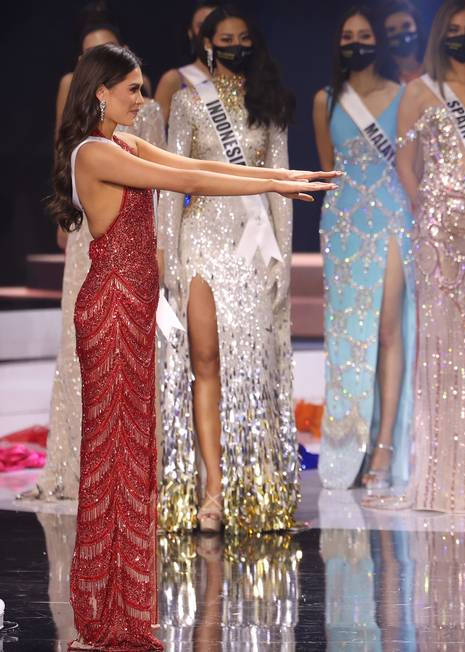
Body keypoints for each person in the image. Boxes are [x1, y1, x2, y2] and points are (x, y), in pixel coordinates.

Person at [47, 42, 333, 650]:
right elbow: (189, 179)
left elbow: (205, 167)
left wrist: (279, 178)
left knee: (132, 455)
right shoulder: (94, 153)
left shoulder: (124, 144)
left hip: (132, 309)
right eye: (132, 89)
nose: (142, 99)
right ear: (101, 92)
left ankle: (121, 614)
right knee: (112, 458)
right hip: (111, 310)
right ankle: (101, 615)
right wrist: (275, 183)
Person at [158, 4, 301, 534]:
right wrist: (167, 257)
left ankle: (253, 486)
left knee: (252, 368)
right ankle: (213, 490)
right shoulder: (188, 101)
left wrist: (284, 259)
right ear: (208, 43)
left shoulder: (270, 102)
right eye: (226, 39)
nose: (235, 46)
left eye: (244, 39)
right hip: (201, 242)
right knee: (206, 361)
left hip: (253, 245)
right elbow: (172, 180)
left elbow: (282, 184)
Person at [369, 0, 465, 513]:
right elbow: (405, 163)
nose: (463, 36)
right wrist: (427, 206)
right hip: (436, 232)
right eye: (454, 29)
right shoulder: (420, 91)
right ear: (440, 36)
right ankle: (436, 480)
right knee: (438, 348)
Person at [23, 12, 165, 503]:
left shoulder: (138, 111)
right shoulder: (83, 120)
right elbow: (64, 151)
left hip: (136, 237)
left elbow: (172, 178)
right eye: (86, 54)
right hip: (92, 231)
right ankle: (81, 464)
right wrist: (67, 217)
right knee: (87, 351)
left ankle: (129, 476)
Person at [312, 6, 415, 492]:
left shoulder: (403, 95)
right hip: (343, 225)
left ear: (379, 41)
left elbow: (412, 163)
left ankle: (385, 443)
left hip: (392, 218)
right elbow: (327, 168)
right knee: (349, 337)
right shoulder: (326, 100)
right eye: (347, 36)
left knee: (388, 329)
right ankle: (349, 442)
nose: (356, 42)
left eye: (364, 34)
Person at [154, 0, 222, 123]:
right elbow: (155, 130)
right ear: (190, 32)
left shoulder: (243, 77)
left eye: (215, 25)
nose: (208, 31)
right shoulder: (174, 79)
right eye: (201, 26)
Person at [381, 0, 425, 83]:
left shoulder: (437, 68)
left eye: (406, 26)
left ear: (417, 26)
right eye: (391, 30)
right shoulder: (380, 80)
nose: (400, 33)